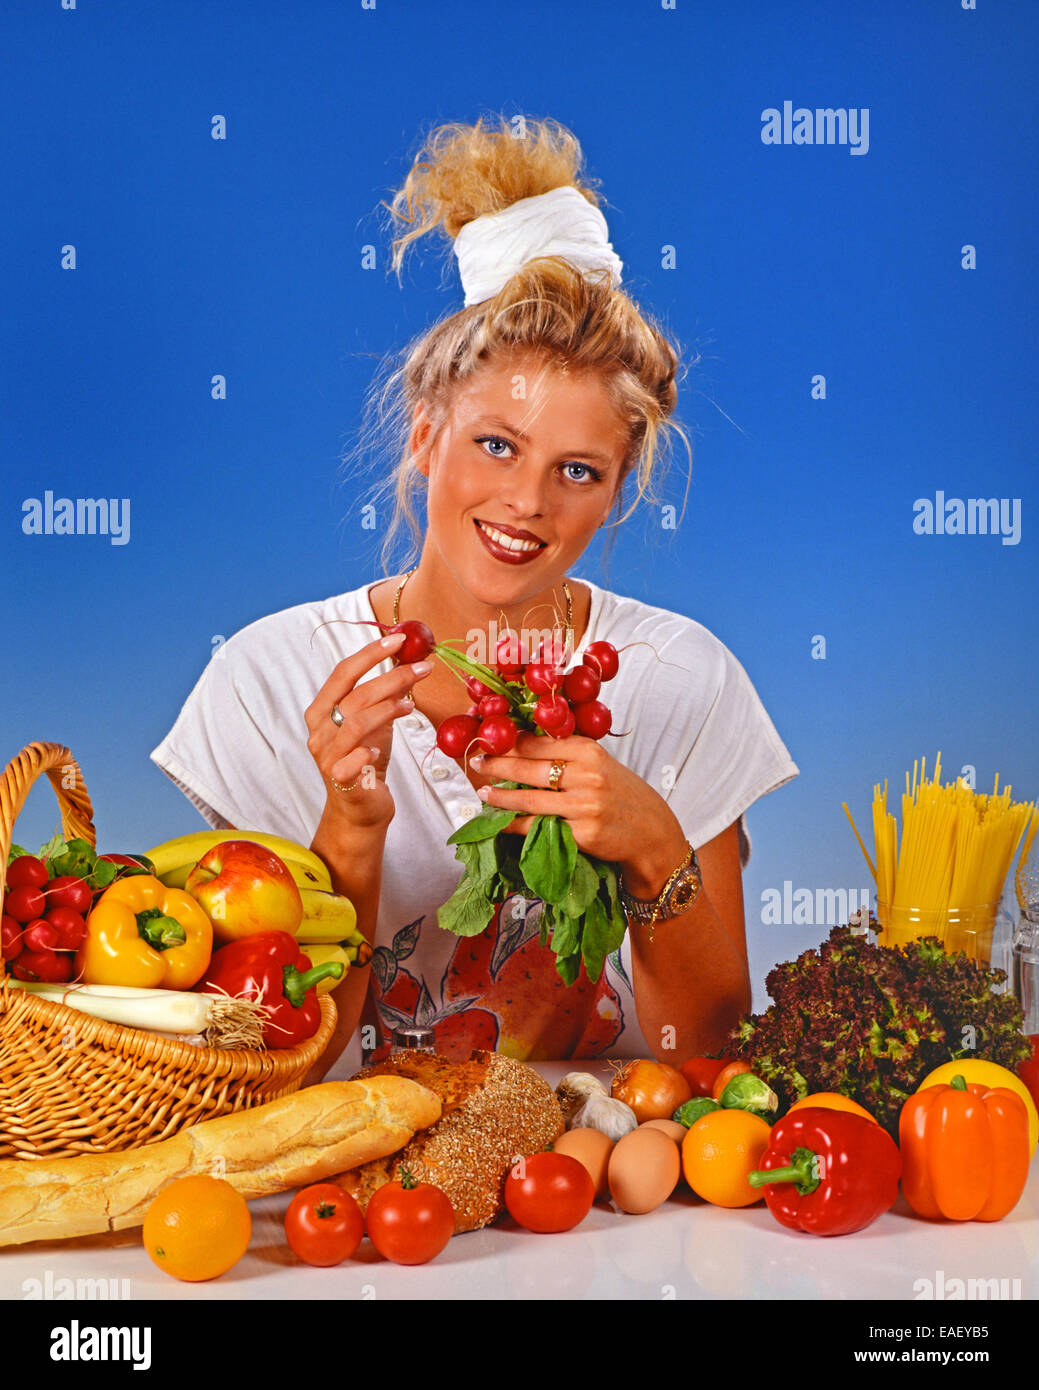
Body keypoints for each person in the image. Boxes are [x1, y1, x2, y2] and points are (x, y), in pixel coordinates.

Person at [150, 114, 798, 1081]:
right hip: (369, 1180)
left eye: (577, 470)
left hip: (593, 1187)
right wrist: (350, 838)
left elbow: (702, 1057)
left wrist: (657, 850)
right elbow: (269, 1072)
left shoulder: (681, 681)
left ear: (616, 491)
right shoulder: (267, 680)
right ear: (423, 439)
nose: (526, 502)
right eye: (495, 444)